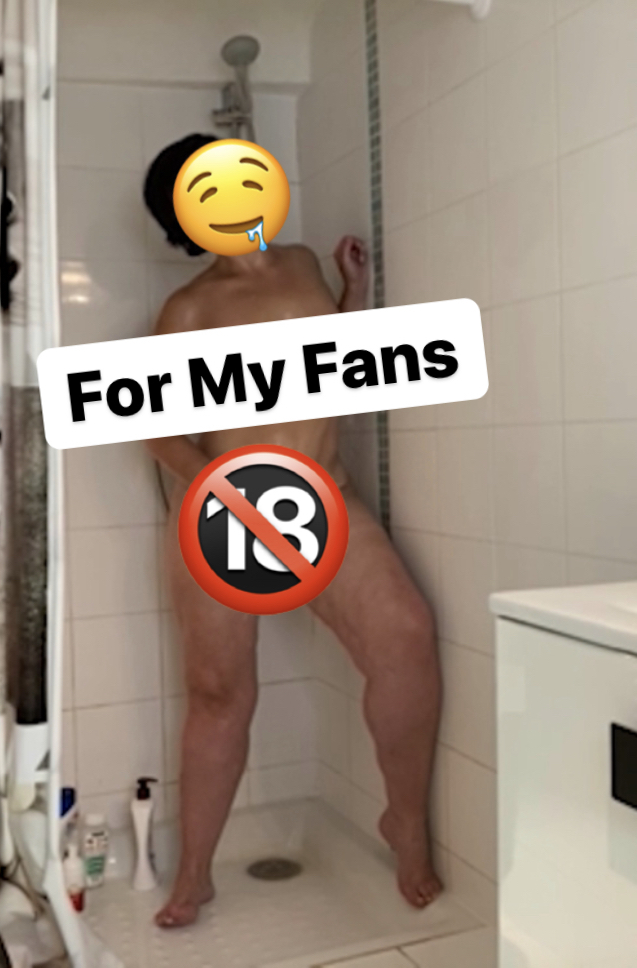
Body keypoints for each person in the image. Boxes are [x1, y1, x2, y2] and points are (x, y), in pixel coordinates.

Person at [143, 134, 442, 927]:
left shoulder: (304, 263)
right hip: (227, 511)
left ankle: (404, 820)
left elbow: (333, 357)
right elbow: (161, 433)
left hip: (323, 495)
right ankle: (194, 875)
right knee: (218, 694)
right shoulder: (186, 310)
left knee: (406, 635)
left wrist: (353, 292)